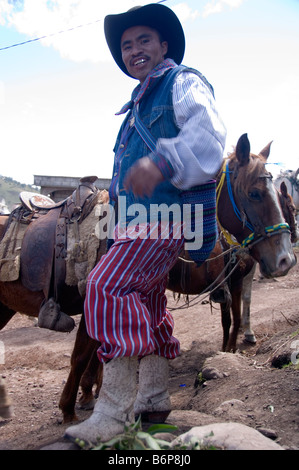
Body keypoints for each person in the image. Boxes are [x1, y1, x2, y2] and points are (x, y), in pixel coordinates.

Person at [64, 3, 226, 445]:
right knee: (148, 302)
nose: (134, 50)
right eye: (127, 45)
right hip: (136, 221)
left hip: (162, 218)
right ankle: (153, 401)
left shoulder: (182, 81)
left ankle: (113, 412)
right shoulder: (136, 103)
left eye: (143, 41)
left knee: (106, 287)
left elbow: (209, 135)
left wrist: (161, 161)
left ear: (164, 45)